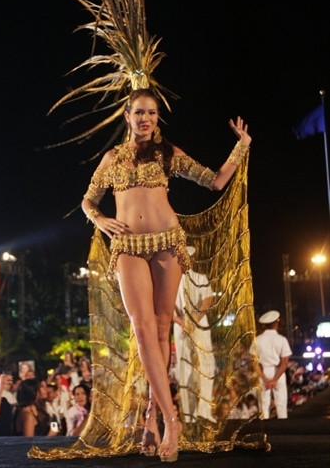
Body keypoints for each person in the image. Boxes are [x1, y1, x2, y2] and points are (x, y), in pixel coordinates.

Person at [81, 86, 251, 461]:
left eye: (152, 114)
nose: (146, 119)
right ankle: (173, 420)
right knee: (142, 329)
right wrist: (101, 219)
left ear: (157, 119)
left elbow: (215, 181)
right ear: (127, 116)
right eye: (139, 112)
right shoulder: (112, 159)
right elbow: (88, 199)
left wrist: (242, 146)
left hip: (168, 244)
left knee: (160, 331)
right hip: (127, 247)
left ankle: (152, 418)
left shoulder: (168, 154)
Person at [173, 245, 216, 423]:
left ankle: (193, 413)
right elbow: (208, 300)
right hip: (195, 325)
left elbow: (207, 299)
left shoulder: (171, 282)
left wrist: (184, 322)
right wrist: (192, 321)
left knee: (187, 368)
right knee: (202, 366)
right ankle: (200, 412)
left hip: (185, 325)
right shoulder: (198, 277)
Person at [249, 310, 292, 419]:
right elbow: (285, 362)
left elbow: (254, 364)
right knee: (281, 405)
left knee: (263, 406)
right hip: (279, 372)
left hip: (263, 372)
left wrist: (265, 379)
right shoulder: (282, 340)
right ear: (276, 323)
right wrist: (275, 379)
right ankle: (283, 431)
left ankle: (265, 432)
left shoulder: (257, 340)